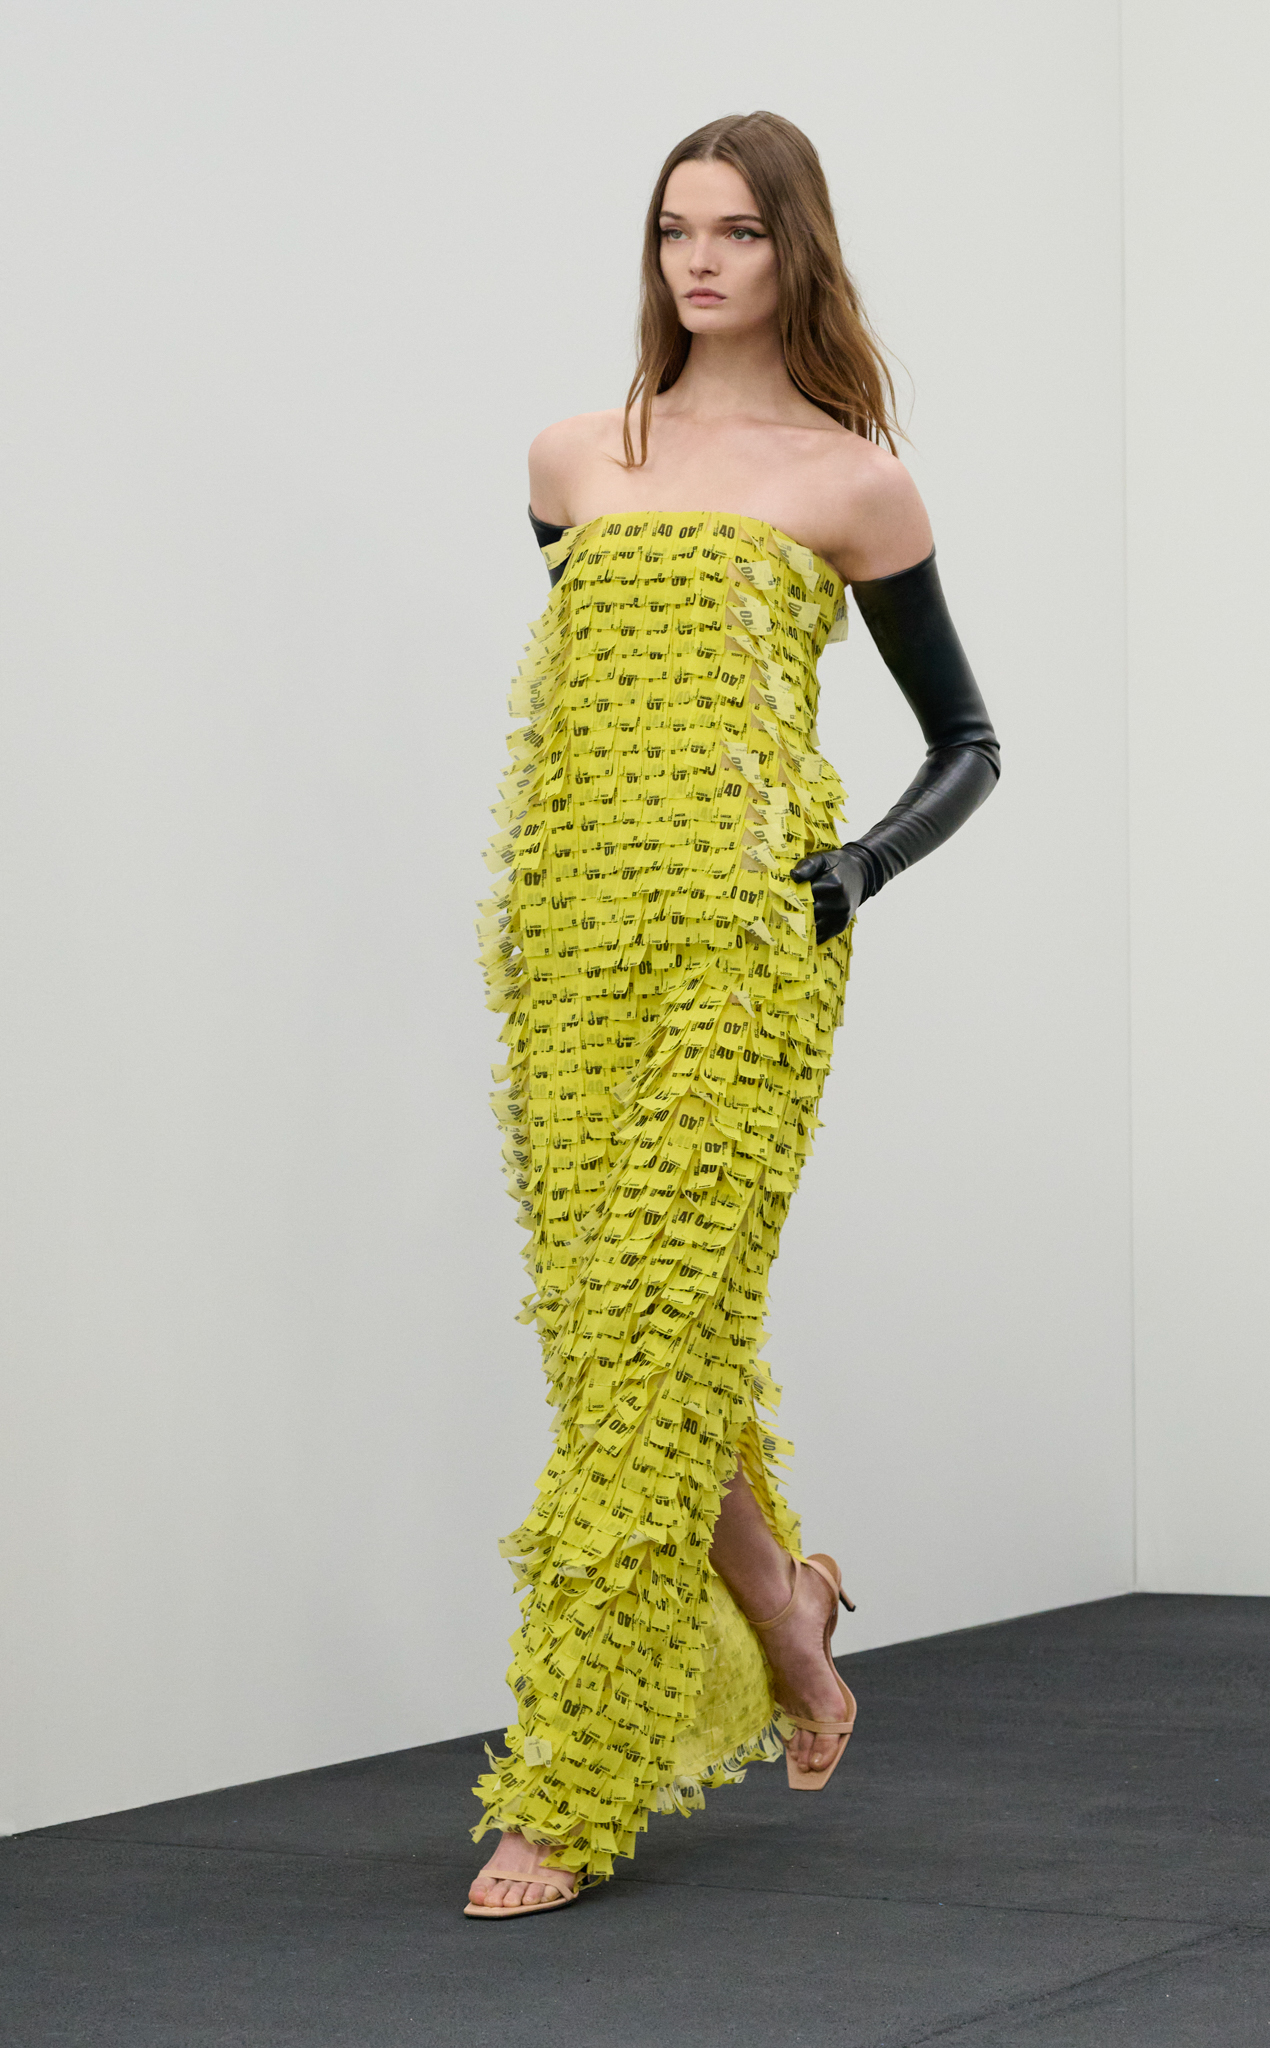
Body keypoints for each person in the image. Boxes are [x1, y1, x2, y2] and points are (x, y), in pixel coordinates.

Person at [466, 110, 999, 1919]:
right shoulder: (572, 458)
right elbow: (602, 714)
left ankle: (567, 1782)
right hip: (565, 950)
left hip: (742, 960)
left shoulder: (853, 482)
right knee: (619, 1345)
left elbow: (968, 741)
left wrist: (853, 872)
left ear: (795, 251)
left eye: (738, 233)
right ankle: (789, 1611)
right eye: (675, 230)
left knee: (650, 1344)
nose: (699, 260)